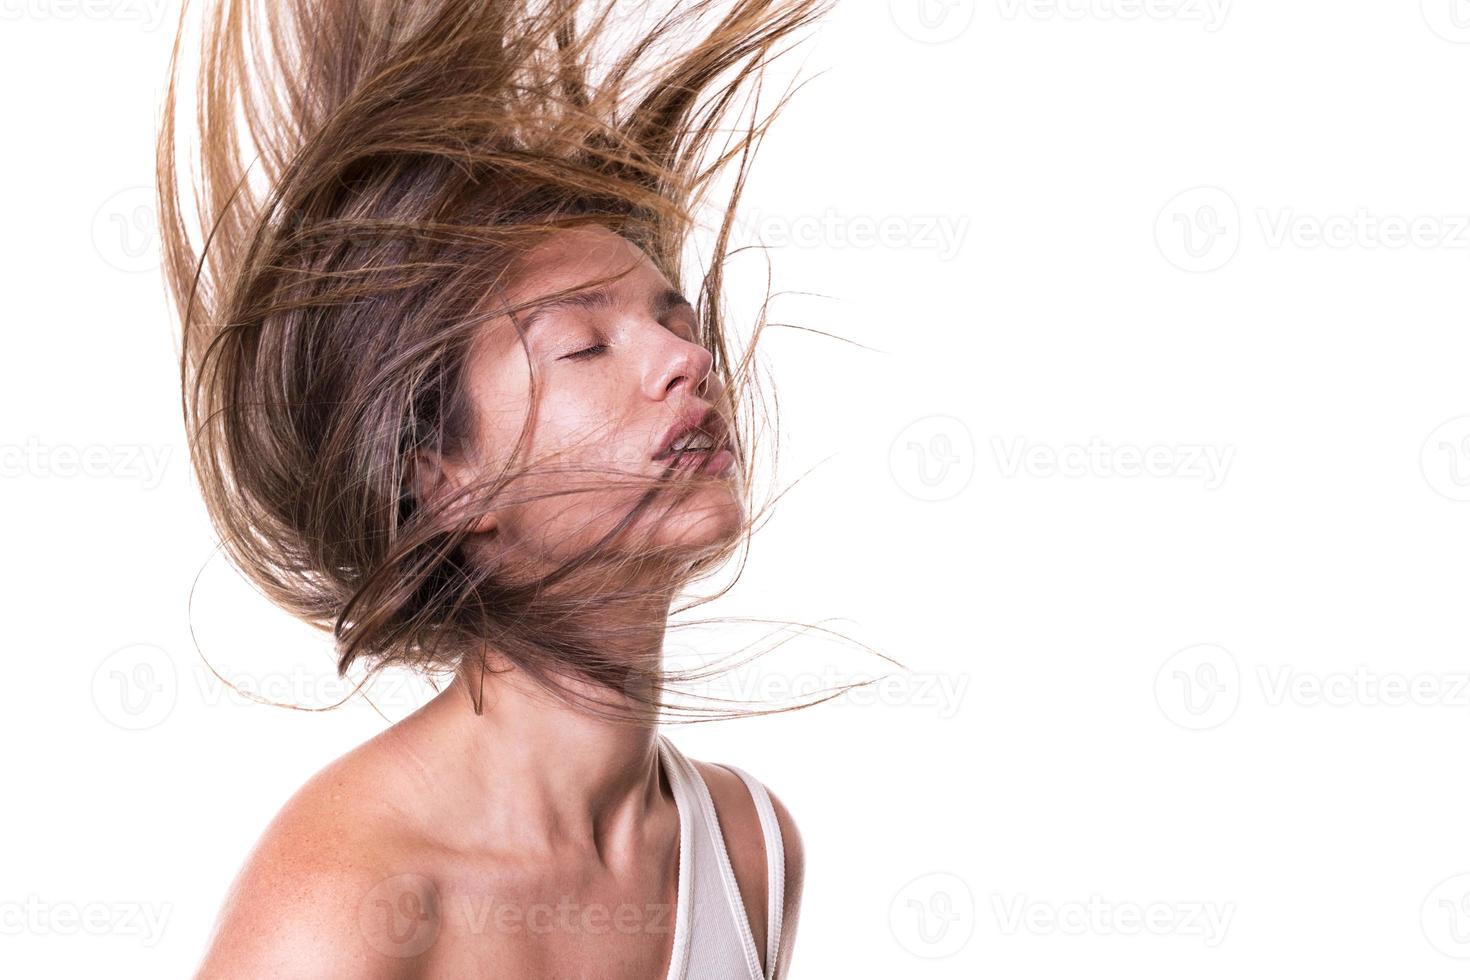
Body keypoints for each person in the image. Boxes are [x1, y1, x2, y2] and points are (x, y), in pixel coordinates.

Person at [155, 0, 839, 976]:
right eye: (583, 344)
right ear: (444, 476)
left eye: (673, 320)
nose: (685, 363)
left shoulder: (746, 849)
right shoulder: (355, 900)